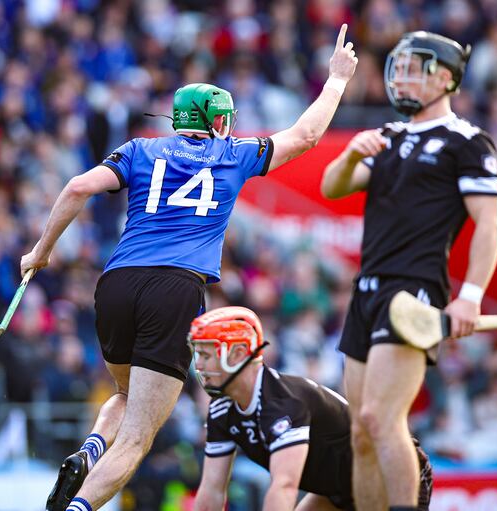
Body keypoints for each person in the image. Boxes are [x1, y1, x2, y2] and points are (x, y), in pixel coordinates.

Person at [21, 24, 359, 511]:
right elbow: (306, 135)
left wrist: (41, 251)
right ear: (215, 121)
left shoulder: (140, 148)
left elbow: (77, 187)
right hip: (174, 287)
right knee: (139, 438)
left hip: (116, 282)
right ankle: (78, 507)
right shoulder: (234, 152)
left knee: (123, 390)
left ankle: (90, 448)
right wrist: (336, 79)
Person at [320, 32, 497, 511]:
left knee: (381, 418)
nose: (400, 76)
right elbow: (332, 187)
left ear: (446, 78)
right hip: (367, 291)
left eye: (414, 68)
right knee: (359, 431)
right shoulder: (389, 138)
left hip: (413, 293)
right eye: (397, 67)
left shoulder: (466, 141)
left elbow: (491, 222)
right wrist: (351, 154)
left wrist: (471, 295)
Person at [189, 306, 432, 511]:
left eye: (206, 355)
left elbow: (284, 486)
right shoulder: (221, 410)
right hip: (337, 488)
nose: (198, 365)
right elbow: (211, 490)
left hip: (386, 475)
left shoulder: (284, 403)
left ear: (238, 353)